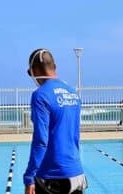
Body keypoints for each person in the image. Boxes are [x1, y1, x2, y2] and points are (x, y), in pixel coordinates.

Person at [23, 48, 87, 194]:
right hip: (77, 174)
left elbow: (41, 140)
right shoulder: (73, 93)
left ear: (34, 70)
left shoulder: (41, 95)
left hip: (52, 176)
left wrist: (29, 176)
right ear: (54, 67)